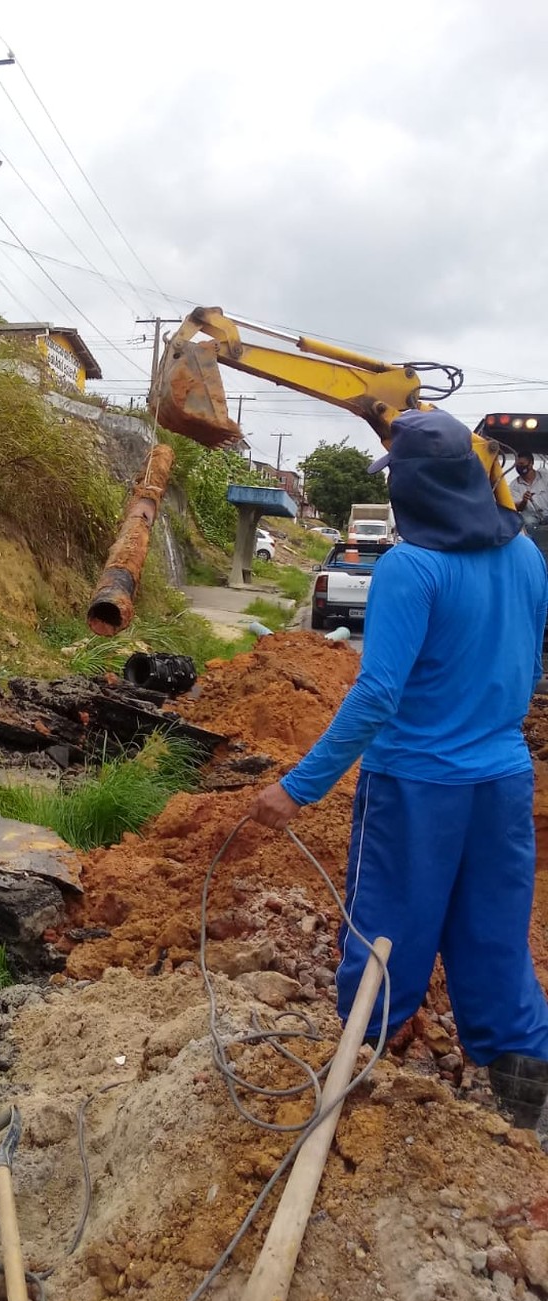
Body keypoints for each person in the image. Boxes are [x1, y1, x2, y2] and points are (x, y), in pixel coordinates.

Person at [249, 408, 548, 1130]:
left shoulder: (411, 568)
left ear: (414, 489)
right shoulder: (528, 559)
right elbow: (527, 662)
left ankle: (359, 1078)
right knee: (494, 936)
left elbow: (377, 694)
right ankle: (528, 1104)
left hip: (416, 785)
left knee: (387, 928)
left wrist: (298, 788)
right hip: (504, 780)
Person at [509, 450, 548, 532]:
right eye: (517, 464)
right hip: (531, 516)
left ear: (531, 464)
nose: (519, 467)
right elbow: (517, 508)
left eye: (522, 464)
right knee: (528, 522)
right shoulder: (513, 486)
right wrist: (524, 501)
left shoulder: (545, 477)